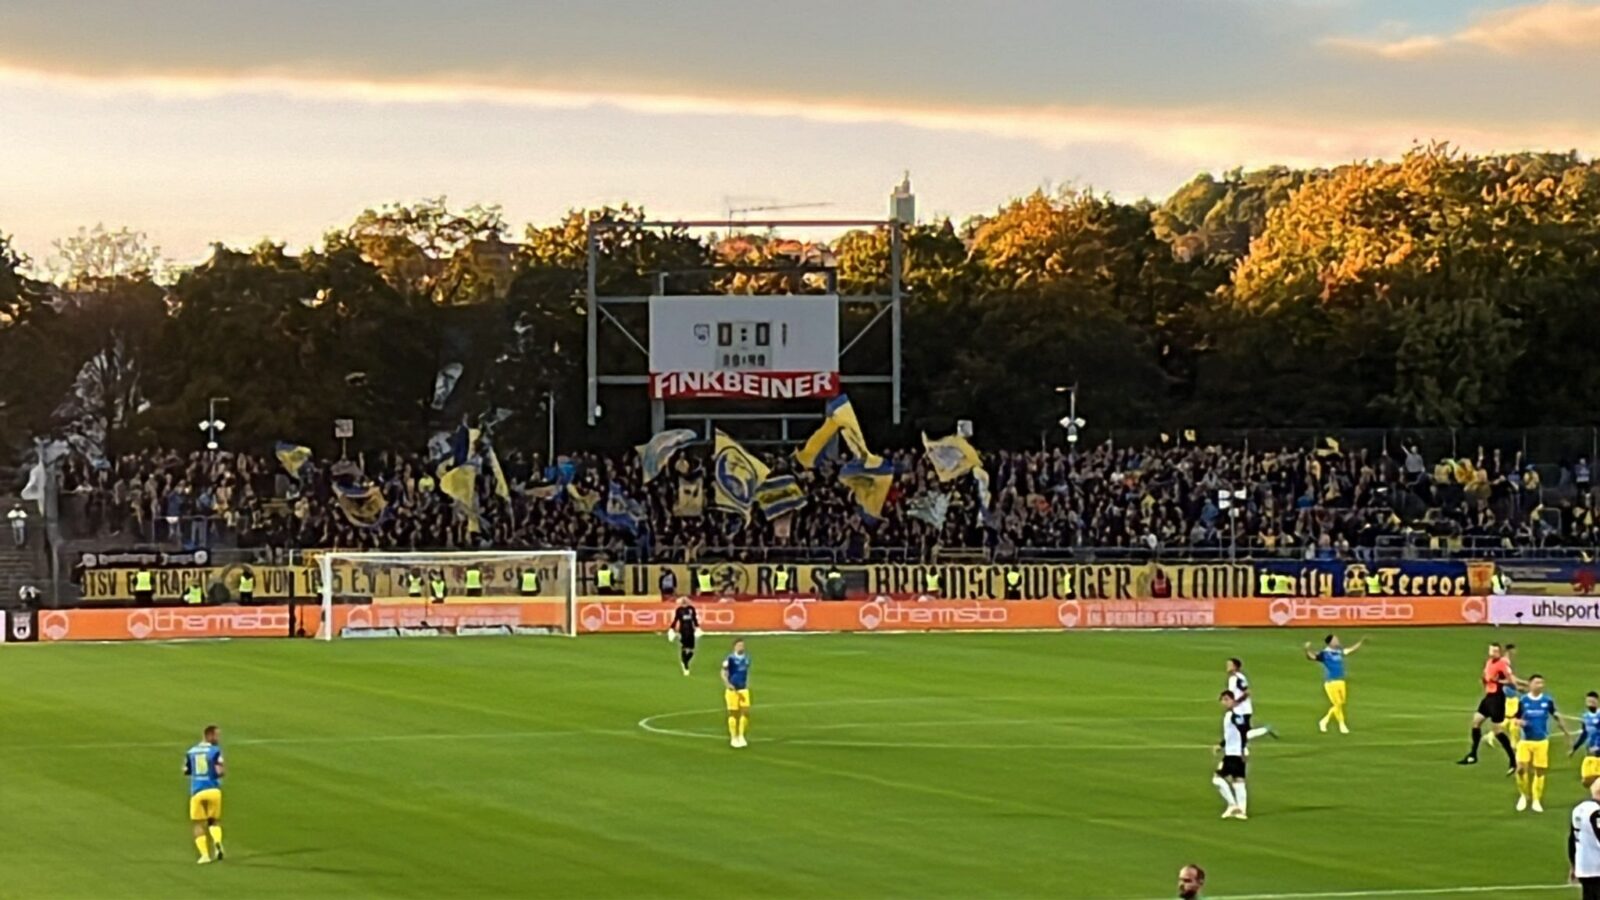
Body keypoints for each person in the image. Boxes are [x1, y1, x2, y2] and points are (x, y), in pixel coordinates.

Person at [1460, 642, 1521, 770]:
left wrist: (1498, 681)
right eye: (1491, 651)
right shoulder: (1489, 662)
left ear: (1499, 652)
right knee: (1476, 722)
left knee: (1497, 731)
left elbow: (1510, 681)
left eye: (1495, 651)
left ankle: (1513, 760)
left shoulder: (1502, 664)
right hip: (1488, 697)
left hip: (1497, 699)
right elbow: (1486, 676)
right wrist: (1484, 680)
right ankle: (1473, 755)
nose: (1493, 653)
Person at [1515, 675, 1571, 813]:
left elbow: (1556, 716)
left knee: (1539, 771)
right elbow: (1516, 718)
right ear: (1530, 684)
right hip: (1525, 741)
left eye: (1541, 682)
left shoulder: (1547, 701)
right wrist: (1519, 723)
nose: (1540, 685)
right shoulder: (1523, 701)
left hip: (1541, 741)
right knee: (1521, 769)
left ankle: (1536, 800)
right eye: (1537, 682)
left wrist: (1566, 732)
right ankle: (1523, 795)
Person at [1303, 634, 1365, 734]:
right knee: (1338, 703)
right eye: (1335, 639)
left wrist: (1360, 643)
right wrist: (1307, 649)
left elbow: (1349, 650)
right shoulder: (1324, 654)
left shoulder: (1338, 652)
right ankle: (1342, 725)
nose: (1338, 641)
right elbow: (1312, 657)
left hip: (1341, 681)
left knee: (1341, 703)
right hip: (1331, 682)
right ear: (1330, 642)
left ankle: (1324, 721)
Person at [183, 725, 226, 864]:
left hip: (197, 791)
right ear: (210, 736)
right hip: (214, 790)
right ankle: (217, 842)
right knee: (213, 820)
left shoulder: (191, 751)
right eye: (216, 735)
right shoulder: (215, 751)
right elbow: (220, 771)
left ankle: (204, 855)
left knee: (198, 824)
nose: (218, 738)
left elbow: (186, 770)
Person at [1213, 690, 1249, 820]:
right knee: (1238, 781)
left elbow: (1244, 731)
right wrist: (1221, 745)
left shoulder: (1234, 715)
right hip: (1234, 752)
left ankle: (1233, 805)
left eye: (1227, 699)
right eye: (1223, 700)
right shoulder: (1230, 715)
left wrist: (1243, 749)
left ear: (1233, 700)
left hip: (1233, 754)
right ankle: (1241, 811)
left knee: (1217, 779)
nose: (1224, 702)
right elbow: (1231, 735)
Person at [1224, 658, 1276, 744]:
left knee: (1242, 734)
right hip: (1237, 709)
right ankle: (1263, 731)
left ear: (1235, 667)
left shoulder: (1238, 678)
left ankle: (1265, 730)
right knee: (1240, 733)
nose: (1227, 666)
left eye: (1229, 665)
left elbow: (1247, 692)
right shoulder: (1232, 678)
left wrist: (1235, 703)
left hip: (1243, 710)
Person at [1569, 778, 1600, 898]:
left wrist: (1574, 864)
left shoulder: (1579, 809)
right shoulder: (1596, 812)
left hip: (1584, 867)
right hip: (1597, 867)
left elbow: (1572, 840)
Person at [721, 638, 752, 749]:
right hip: (732, 690)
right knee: (733, 713)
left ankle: (741, 735)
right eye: (739, 645)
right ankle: (733, 737)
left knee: (745, 712)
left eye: (742, 645)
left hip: (743, 689)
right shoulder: (729, 659)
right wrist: (727, 684)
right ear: (734, 647)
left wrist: (748, 684)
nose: (741, 647)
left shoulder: (747, 659)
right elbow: (723, 673)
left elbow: (747, 672)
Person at [1568, 692, 1600, 787]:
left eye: (1592, 701)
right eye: (1588, 701)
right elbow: (1584, 734)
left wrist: (1598, 747)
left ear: (1597, 702)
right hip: (1589, 753)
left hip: (1598, 754)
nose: (1590, 703)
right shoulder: (1585, 716)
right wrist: (1574, 749)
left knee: (1595, 782)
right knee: (1586, 782)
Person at [670, 597, 700, 676]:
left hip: (691, 631)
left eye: (685, 601)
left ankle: (685, 661)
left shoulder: (691, 609)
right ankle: (686, 666)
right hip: (683, 631)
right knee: (684, 648)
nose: (684, 603)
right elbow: (676, 620)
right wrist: (672, 628)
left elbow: (694, 619)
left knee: (691, 650)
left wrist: (697, 627)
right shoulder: (679, 610)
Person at [1505, 644, 1522, 746]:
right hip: (1509, 690)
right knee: (1514, 715)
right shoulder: (1506, 662)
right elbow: (1510, 679)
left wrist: (1523, 683)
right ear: (1510, 650)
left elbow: (1512, 677)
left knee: (1510, 716)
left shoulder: (1506, 661)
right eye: (1514, 651)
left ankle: (1513, 742)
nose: (1515, 653)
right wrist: (1518, 687)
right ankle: (1492, 735)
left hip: (1508, 689)